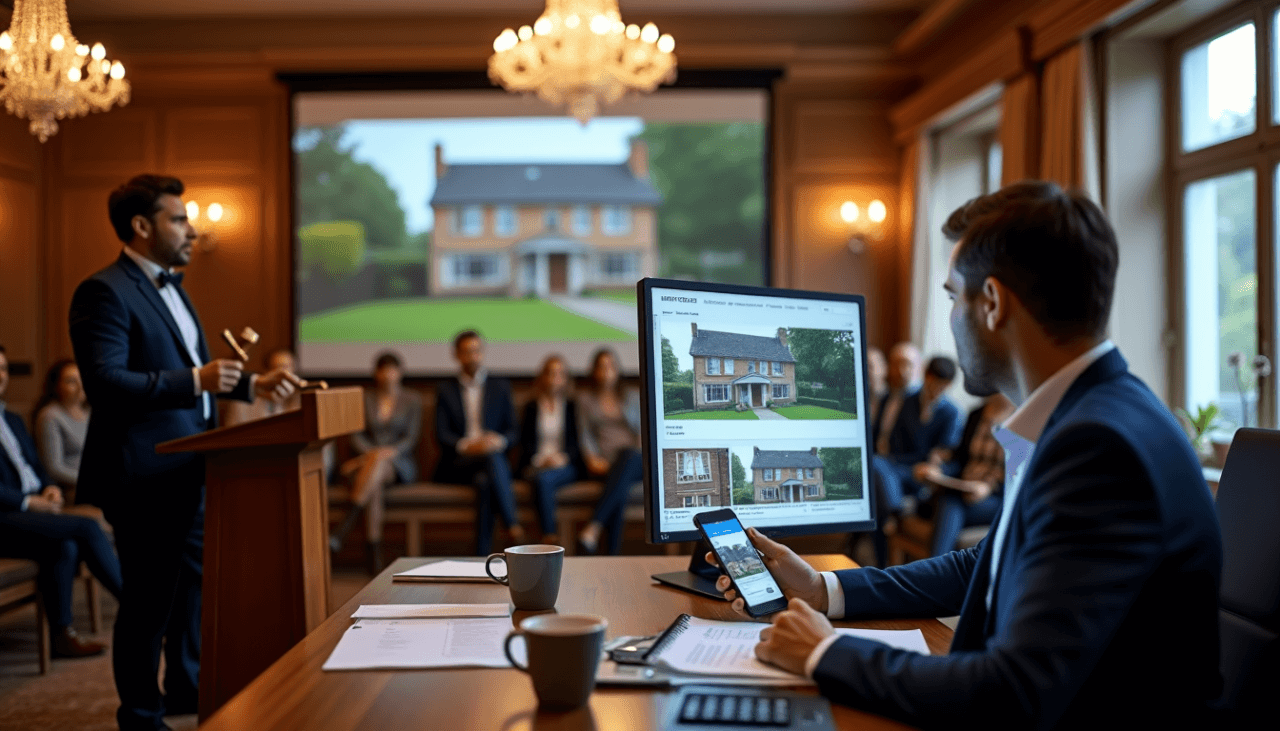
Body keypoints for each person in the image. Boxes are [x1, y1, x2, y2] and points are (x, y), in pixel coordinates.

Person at [709, 181, 1223, 729]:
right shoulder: (1098, 414)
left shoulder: (1096, 446)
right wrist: (824, 587)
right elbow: (987, 562)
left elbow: (1013, 694)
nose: (951, 318)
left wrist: (823, 653)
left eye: (953, 297)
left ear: (994, 304)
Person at [68, 174, 296, 731]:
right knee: (148, 604)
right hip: (143, 473)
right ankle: (140, 716)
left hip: (192, 469)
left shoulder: (174, 287)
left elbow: (197, 377)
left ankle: (186, 687)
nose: (192, 230)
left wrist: (252, 387)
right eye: (178, 219)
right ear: (142, 227)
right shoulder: (104, 291)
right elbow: (106, 383)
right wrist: (199, 378)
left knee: (193, 589)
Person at [0, 345, 124, 658]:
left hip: (31, 509)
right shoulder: (48, 415)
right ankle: (140, 607)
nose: (0, 376)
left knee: (64, 546)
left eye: (3, 368)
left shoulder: (11, 420)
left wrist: (49, 489)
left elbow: (38, 468)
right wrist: (29, 503)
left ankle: (61, 635)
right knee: (85, 524)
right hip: (8, 513)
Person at [329, 351, 422, 573]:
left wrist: (388, 452)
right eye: (384, 370)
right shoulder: (365, 398)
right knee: (375, 486)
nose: (388, 375)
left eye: (393, 370)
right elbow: (355, 435)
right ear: (376, 373)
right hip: (368, 462)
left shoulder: (412, 400)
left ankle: (345, 527)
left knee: (378, 467)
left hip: (398, 464)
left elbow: (411, 438)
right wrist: (374, 453)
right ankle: (373, 554)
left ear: (400, 373)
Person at [434, 331, 523, 555]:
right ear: (456, 355)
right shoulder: (445, 390)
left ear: (482, 353)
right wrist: (468, 446)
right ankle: (512, 524)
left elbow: (513, 432)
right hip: (457, 464)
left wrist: (498, 440)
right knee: (490, 459)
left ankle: (481, 557)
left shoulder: (500, 387)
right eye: (466, 352)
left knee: (485, 481)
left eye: (476, 351)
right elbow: (441, 435)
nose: (472, 357)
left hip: (490, 463)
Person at [869, 354, 963, 566]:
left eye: (943, 387)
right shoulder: (907, 401)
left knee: (878, 502)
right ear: (926, 377)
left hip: (927, 474)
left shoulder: (952, 412)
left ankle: (891, 523)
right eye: (934, 384)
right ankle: (897, 510)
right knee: (876, 464)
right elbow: (895, 442)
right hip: (902, 468)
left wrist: (933, 465)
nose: (937, 390)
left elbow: (949, 452)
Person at [911, 393, 1013, 556]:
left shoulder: (1021, 420)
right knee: (951, 501)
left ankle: (936, 568)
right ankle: (938, 572)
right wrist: (938, 471)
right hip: (963, 489)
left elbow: (1021, 474)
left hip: (996, 498)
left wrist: (988, 488)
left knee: (949, 502)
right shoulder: (976, 414)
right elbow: (960, 460)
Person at [575, 348, 643, 556]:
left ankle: (593, 527)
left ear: (617, 370)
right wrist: (592, 459)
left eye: (610, 366)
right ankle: (610, 556)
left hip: (636, 460)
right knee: (619, 490)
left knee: (628, 456)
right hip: (604, 462)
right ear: (594, 371)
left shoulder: (632, 396)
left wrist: (637, 452)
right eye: (601, 367)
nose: (606, 371)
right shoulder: (585, 399)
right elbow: (584, 434)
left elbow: (642, 433)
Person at [518, 354, 585, 545]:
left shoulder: (572, 407)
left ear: (566, 378)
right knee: (541, 478)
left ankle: (549, 537)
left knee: (545, 480)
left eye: (559, 374)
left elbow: (577, 444)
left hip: (565, 465)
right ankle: (550, 536)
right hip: (537, 464)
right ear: (542, 377)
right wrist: (541, 460)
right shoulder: (531, 406)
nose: (554, 378)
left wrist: (560, 459)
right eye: (550, 373)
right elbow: (526, 444)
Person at [32, 359, 89, 499]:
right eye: (71, 381)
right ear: (56, 386)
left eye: (82, 378)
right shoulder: (50, 416)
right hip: (69, 487)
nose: (80, 385)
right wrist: (91, 481)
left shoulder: (90, 412)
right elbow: (54, 469)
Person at [223, 349, 302, 426]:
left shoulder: (301, 402)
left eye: (287, 368)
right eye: (276, 368)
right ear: (265, 372)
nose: (283, 375)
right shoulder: (242, 402)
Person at [864, 347, 887, 427]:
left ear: (884, 368)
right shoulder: (861, 401)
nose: (865, 371)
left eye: (870, 366)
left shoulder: (893, 401)